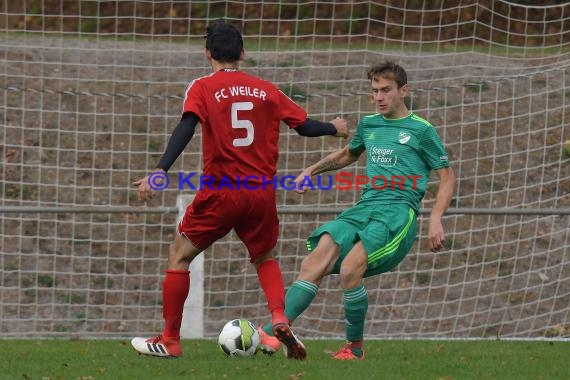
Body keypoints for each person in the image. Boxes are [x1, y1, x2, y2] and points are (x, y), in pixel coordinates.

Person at [130, 22, 348, 360]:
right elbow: (304, 127)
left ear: (208, 54)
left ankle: (170, 340)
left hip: (221, 191)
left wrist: (160, 170)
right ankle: (278, 316)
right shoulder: (266, 89)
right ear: (243, 54)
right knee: (265, 257)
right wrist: (334, 128)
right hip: (260, 192)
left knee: (179, 256)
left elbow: (186, 126)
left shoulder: (203, 87)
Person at [257, 61, 456, 360]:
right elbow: (347, 154)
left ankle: (355, 348)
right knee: (316, 258)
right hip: (365, 207)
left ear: (404, 91)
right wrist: (312, 170)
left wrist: (435, 218)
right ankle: (275, 333)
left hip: (397, 213)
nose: (379, 97)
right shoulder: (369, 124)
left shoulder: (421, 130)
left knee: (350, 269)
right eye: (375, 90)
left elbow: (447, 176)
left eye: (386, 90)